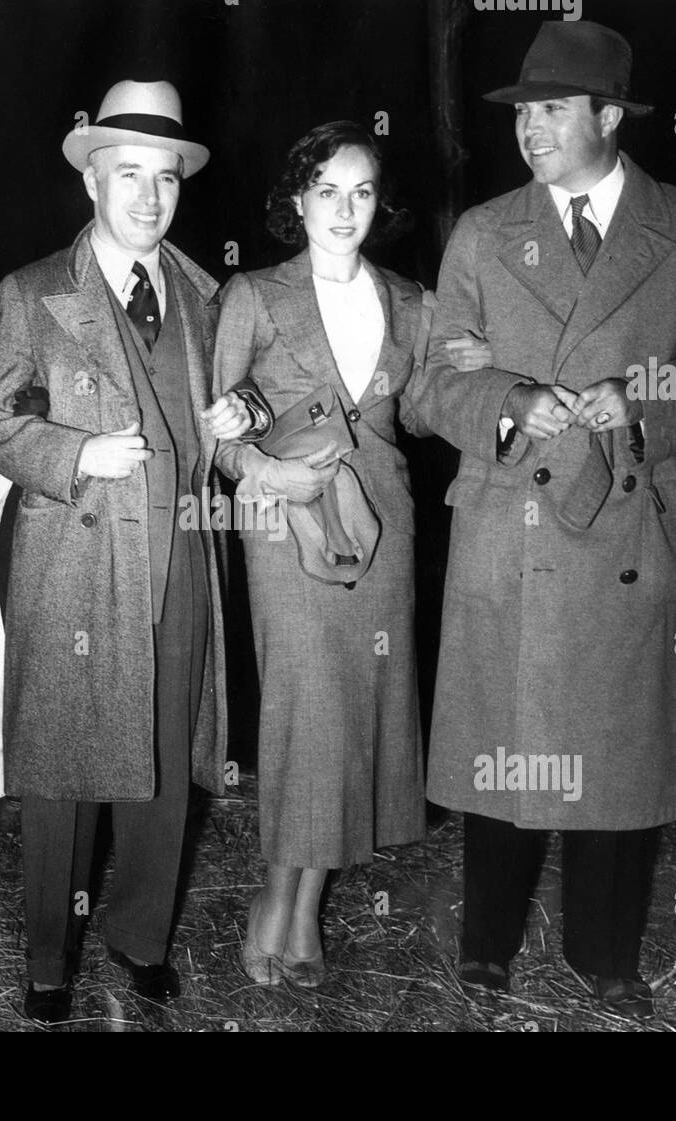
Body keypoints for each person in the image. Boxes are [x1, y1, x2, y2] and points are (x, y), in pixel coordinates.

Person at [412, 21, 676, 1017]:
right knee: (507, 749)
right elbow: (436, 380)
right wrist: (510, 401)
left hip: (631, 520)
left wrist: (645, 399)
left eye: (553, 109)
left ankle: (602, 954)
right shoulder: (483, 232)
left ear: (610, 116)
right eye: (522, 112)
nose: (529, 129)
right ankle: (484, 947)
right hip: (509, 519)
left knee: (618, 756)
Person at [0, 79, 269, 1024]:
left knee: (165, 758)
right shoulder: (32, 292)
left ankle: (140, 934)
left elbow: (231, 430)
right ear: (92, 182)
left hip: (182, 562)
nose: (150, 196)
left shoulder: (206, 294)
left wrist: (243, 417)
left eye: (166, 177)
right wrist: (73, 453)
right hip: (76, 566)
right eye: (128, 174)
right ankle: (49, 959)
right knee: (65, 769)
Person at [213, 121, 439, 986]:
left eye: (363, 191)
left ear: (380, 204)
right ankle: (276, 895)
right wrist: (263, 466)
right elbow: (221, 431)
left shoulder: (412, 302)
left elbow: (422, 410)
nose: (345, 209)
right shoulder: (254, 296)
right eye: (327, 190)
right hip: (287, 524)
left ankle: (305, 912)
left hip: (383, 523)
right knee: (305, 710)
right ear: (297, 201)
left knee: (359, 713)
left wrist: (489, 384)